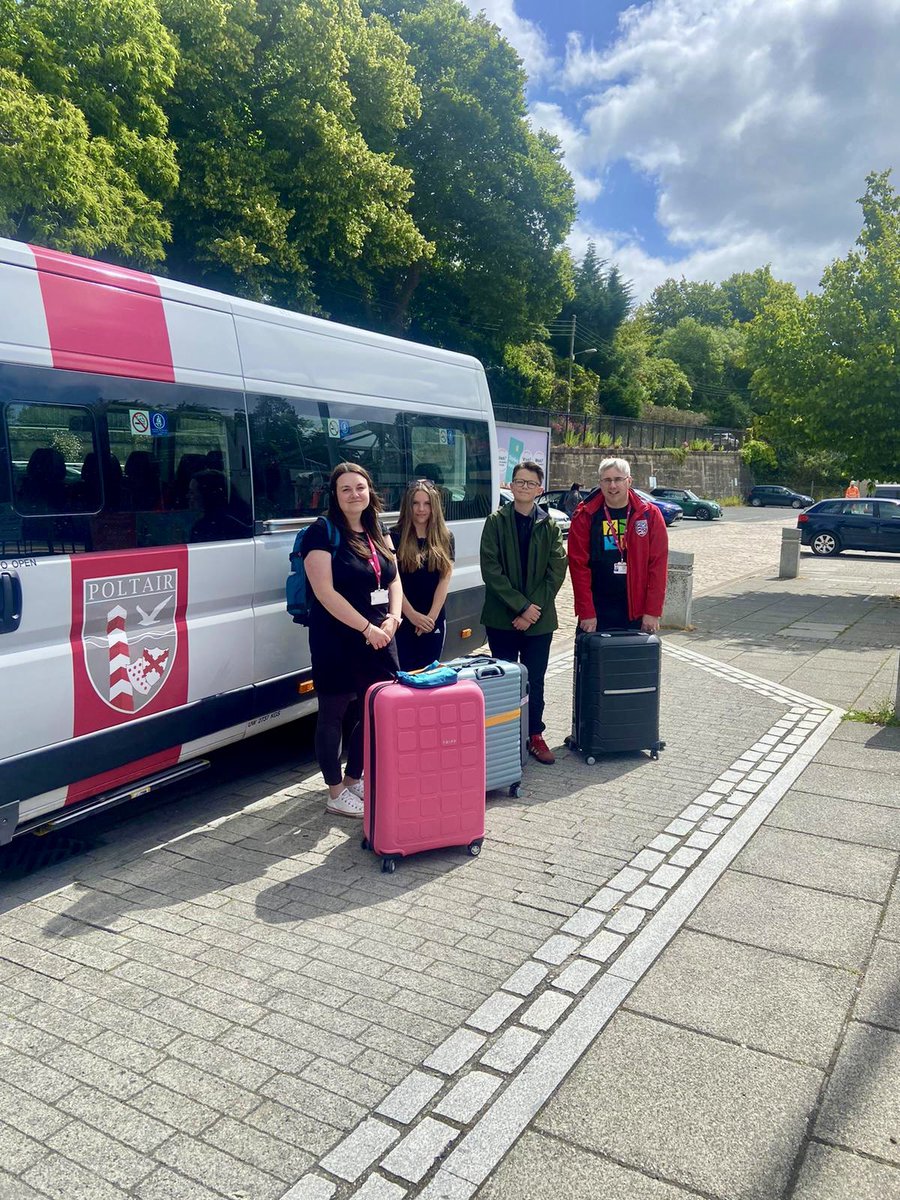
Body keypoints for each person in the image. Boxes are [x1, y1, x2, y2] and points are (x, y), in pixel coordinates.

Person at [302, 462, 402, 817]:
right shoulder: (321, 532)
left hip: (381, 634)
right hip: (338, 638)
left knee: (374, 708)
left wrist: (394, 617)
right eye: (345, 489)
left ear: (369, 491)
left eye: (359, 487)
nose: (354, 494)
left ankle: (353, 777)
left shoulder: (378, 527)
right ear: (335, 495)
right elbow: (324, 592)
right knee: (334, 712)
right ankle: (334, 792)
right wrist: (366, 629)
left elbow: (393, 578)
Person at [480, 461, 568, 765]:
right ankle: (504, 737)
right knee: (504, 681)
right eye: (519, 482)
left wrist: (531, 611)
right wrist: (520, 606)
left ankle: (534, 734)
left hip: (539, 620)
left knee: (535, 681)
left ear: (539, 489)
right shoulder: (495, 522)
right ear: (511, 485)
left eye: (530, 483)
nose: (524, 487)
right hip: (501, 617)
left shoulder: (550, 525)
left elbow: (556, 571)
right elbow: (491, 570)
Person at [568, 457, 668, 634]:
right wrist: (586, 611)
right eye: (607, 480)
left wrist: (652, 611)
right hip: (597, 610)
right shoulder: (585, 515)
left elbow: (658, 565)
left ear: (629, 481)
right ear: (600, 483)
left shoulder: (649, 514)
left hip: (637, 611)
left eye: (618, 479)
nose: (612, 486)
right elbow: (578, 566)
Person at [390, 479, 455, 671]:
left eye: (427, 503)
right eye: (415, 503)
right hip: (402, 619)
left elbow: (445, 579)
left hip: (432, 620)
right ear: (407, 506)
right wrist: (412, 615)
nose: (421, 509)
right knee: (403, 676)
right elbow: (392, 581)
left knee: (429, 676)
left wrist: (431, 618)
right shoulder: (393, 536)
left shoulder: (446, 537)